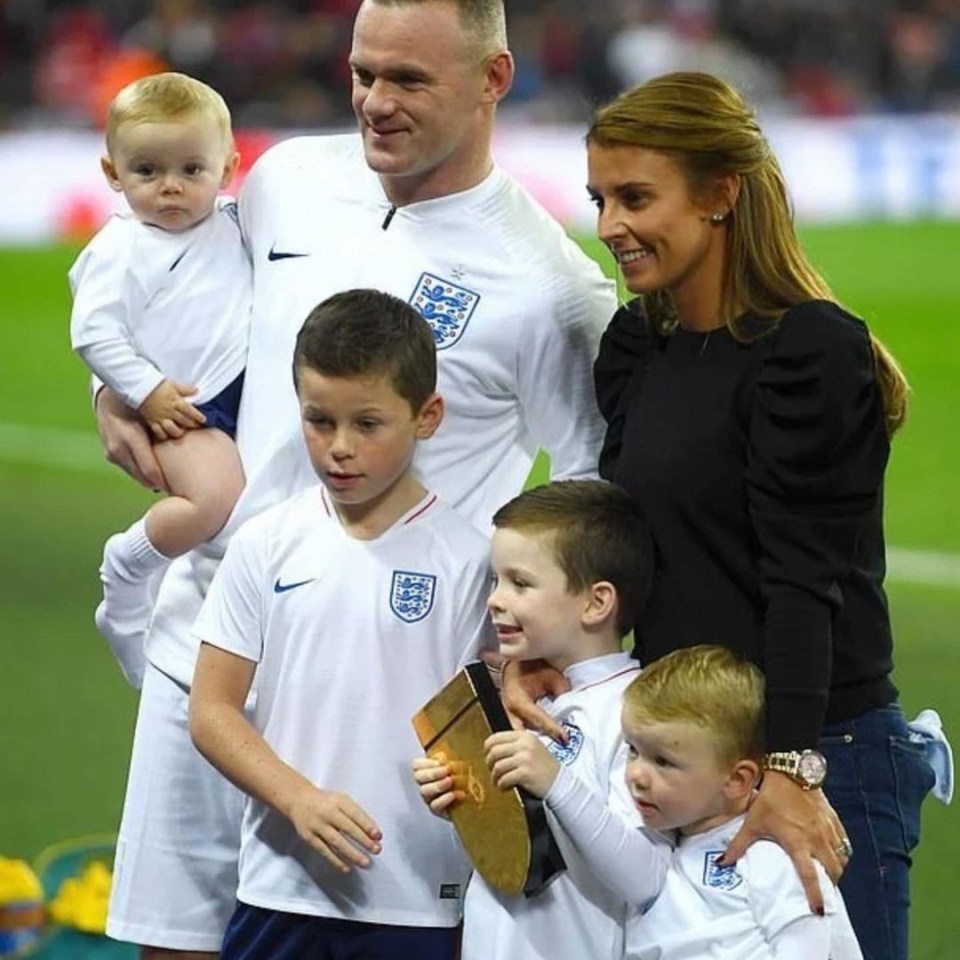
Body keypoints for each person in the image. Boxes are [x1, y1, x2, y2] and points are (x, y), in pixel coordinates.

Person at [93, 1, 615, 956]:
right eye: (362, 73)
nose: (375, 101)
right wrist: (113, 391)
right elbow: (176, 289)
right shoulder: (287, 179)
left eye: (408, 80)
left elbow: (584, 497)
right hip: (209, 648)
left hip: (388, 702)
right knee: (169, 945)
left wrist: (535, 660)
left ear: (494, 80)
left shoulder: (550, 289)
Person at [503, 70, 937, 960]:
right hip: (675, 764)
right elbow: (634, 559)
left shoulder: (811, 351)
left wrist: (786, 768)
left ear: (719, 195)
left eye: (635, 197)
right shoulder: (638, 347)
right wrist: (544, 658)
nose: (610, 225)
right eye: (599, 198)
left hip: (820, 756)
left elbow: (800, 581)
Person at [188, 288, 495, 960]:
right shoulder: (265, 543)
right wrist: (298, 800)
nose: (339, 449)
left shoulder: (472, 562)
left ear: (428, 416)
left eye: (368, 424)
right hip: (280, 888)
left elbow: (492, 729)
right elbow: (211, 710)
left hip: (417, 899)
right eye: (319, 421)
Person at [414, 479, 671, 960]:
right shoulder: (523, 703)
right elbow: (521, 862)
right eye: (495, 579)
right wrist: (465, 802)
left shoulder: (638, 714)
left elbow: (651, 880)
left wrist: (555, 782)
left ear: (596, 603)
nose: (494, 598)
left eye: (520, 583)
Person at [69, 71, 248, 689]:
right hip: (180, 405)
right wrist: (144, 392)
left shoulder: (238, 223)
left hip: (240, 393)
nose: (170, 187)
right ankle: (128, 570)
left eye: (191, 171)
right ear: (113, 173)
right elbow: (92, 333)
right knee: (213, 501)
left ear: (228, 166)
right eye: (147, 171)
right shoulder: (118, 249)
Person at [620, 645, 862, 960]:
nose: (635, 774)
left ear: (737, 780)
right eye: (632, 750)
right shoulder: (658, 840)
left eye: (663, 761)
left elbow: (811, 946)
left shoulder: (770, 855)